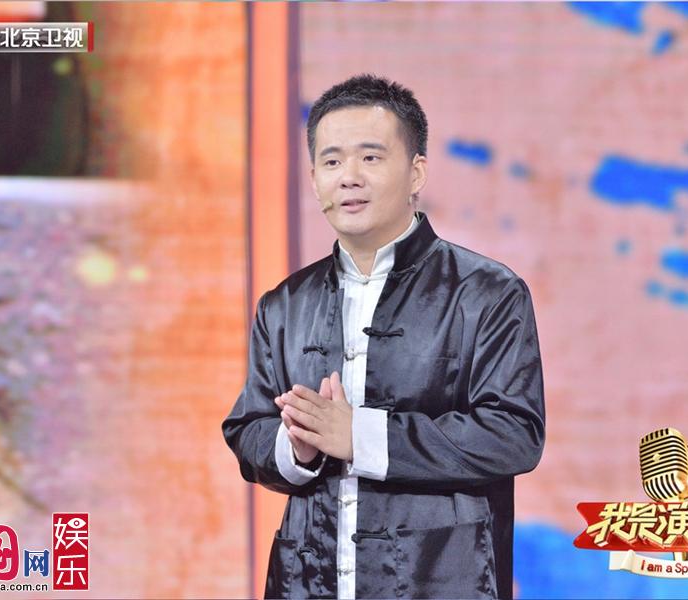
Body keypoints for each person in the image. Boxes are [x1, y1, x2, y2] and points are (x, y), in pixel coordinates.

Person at [222, 74, 545, 599]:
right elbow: (248, 429)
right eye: (331, 162)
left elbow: (513, 434)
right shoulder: (284, 304)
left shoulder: (487, 292)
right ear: (314, 179)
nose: (349, 177)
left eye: (370, 158)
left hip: (441, 582)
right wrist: (297, 448)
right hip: (306, 582)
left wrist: (363, 436)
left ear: (416, 172)